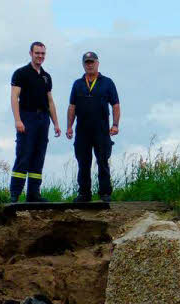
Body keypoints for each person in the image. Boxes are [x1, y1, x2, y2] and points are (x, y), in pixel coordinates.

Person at [9, 42, 61, 202]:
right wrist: (18, 120)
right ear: (31, 53)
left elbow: (50, 101)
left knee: (39, 156)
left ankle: (33, 194)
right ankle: (15, 194)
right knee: (24, 155)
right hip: (27, 117)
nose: (40, 56)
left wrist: (56, 124)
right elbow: (14, 97)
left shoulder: (46, 76)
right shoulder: (21, 73)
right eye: (37, 53)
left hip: (43, 119)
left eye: (43, 54)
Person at [66, 51, 120, 202]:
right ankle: (84, 193)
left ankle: (104, 193)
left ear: (97, 63)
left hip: (101, 130)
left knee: (103, 161)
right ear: (83, 65)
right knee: (83, 162)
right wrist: (69, 127)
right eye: (87, 62)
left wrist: (115, 125)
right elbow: (72, 106)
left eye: (92, 62)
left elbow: (115, 105)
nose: (89, 65)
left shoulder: (107, 82)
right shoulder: (77, 84)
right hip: (82, 130)